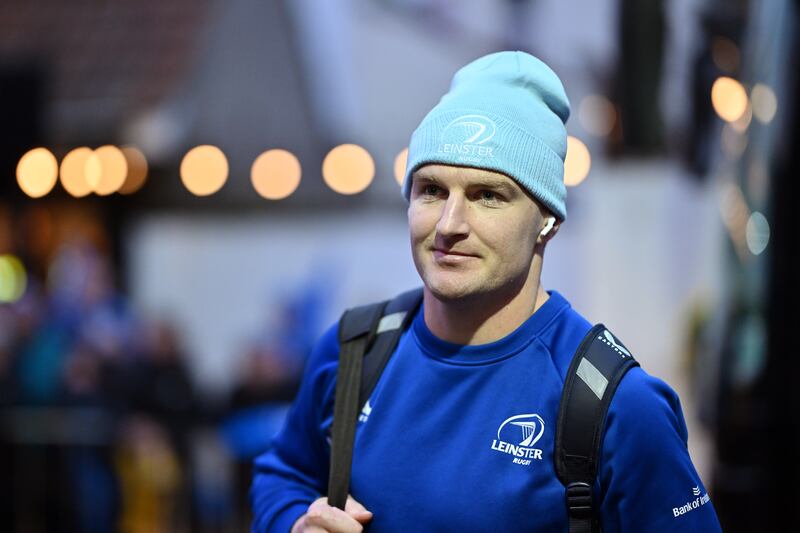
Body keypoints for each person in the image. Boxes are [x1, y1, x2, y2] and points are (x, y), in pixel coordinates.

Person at [250, 51, 722, 532]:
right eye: (431, 189)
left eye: (487, 196)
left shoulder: (617, 406)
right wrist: (295, 524)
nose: (449, 225)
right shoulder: (354, 351)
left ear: (548, 221)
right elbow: (282, 473)